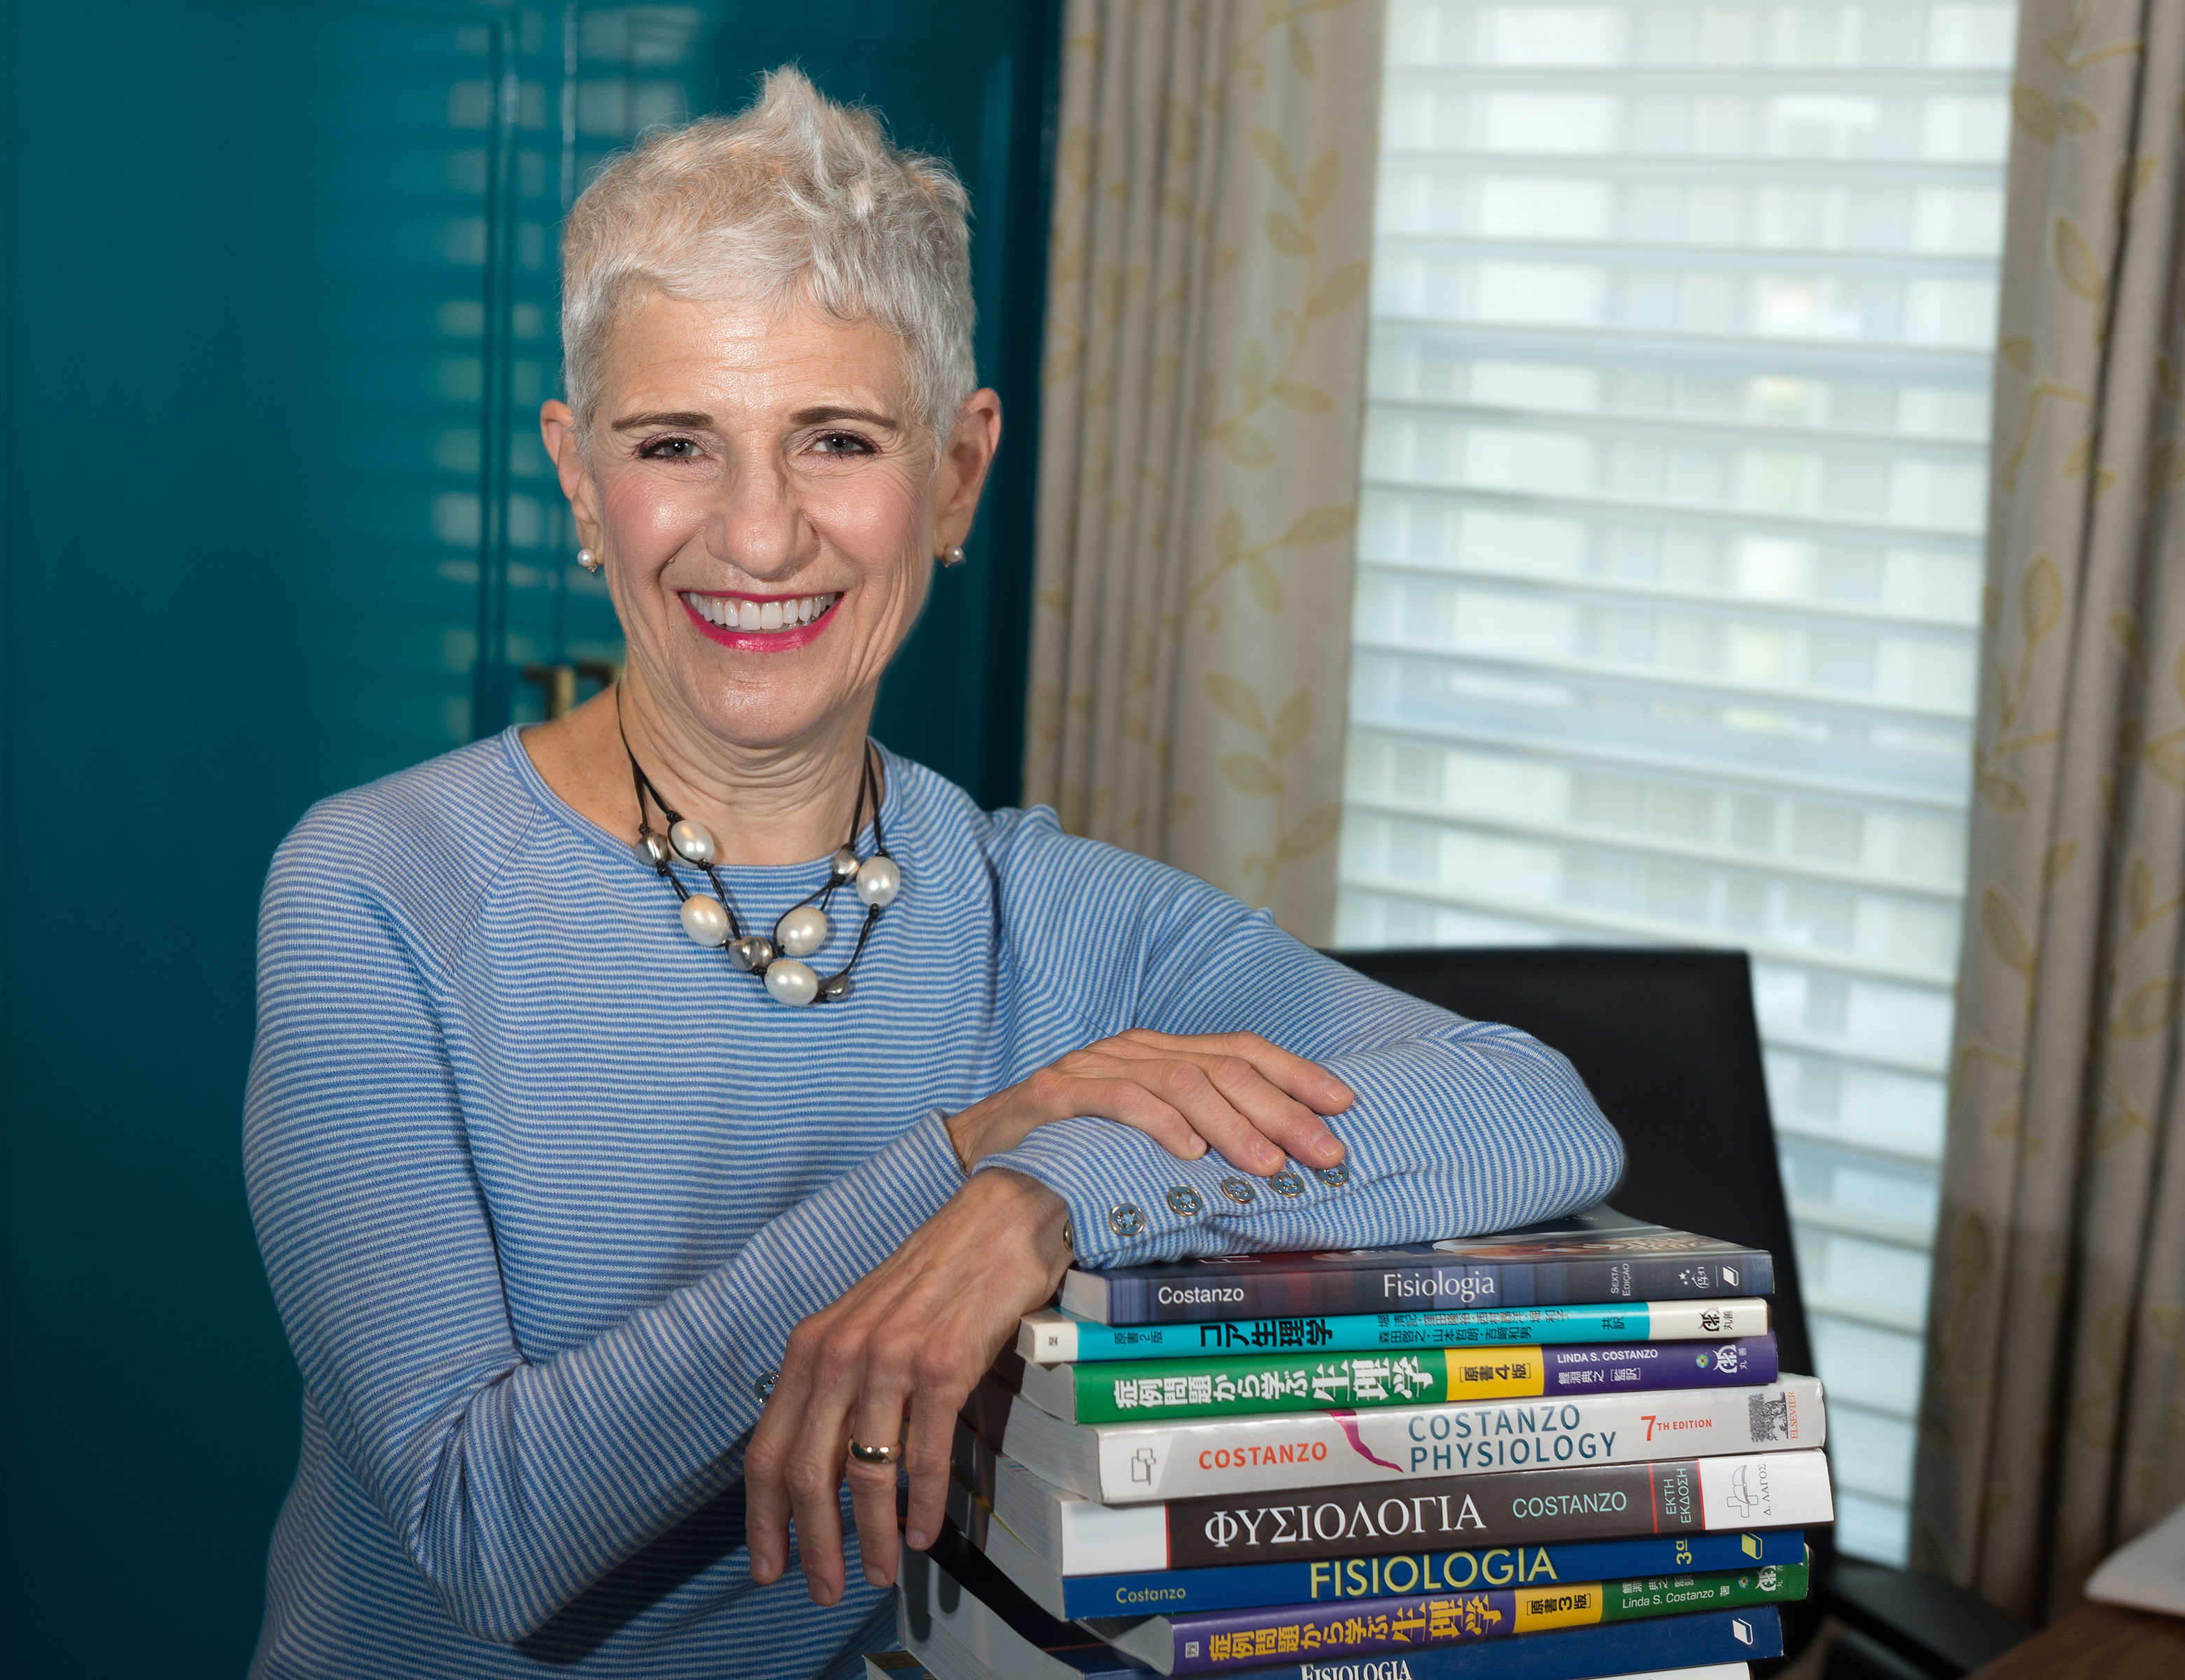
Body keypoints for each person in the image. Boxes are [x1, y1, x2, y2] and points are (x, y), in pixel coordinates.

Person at [241, 67, 1623, 1680]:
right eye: (676, 443)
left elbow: (1527, 1102)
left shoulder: (1064, 919)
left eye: (835, 439)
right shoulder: (375, 891)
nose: (757, 539)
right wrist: (960, 1160)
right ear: (576, 477)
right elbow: (484, 1526)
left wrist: (1046, 1198)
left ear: (958, 474)